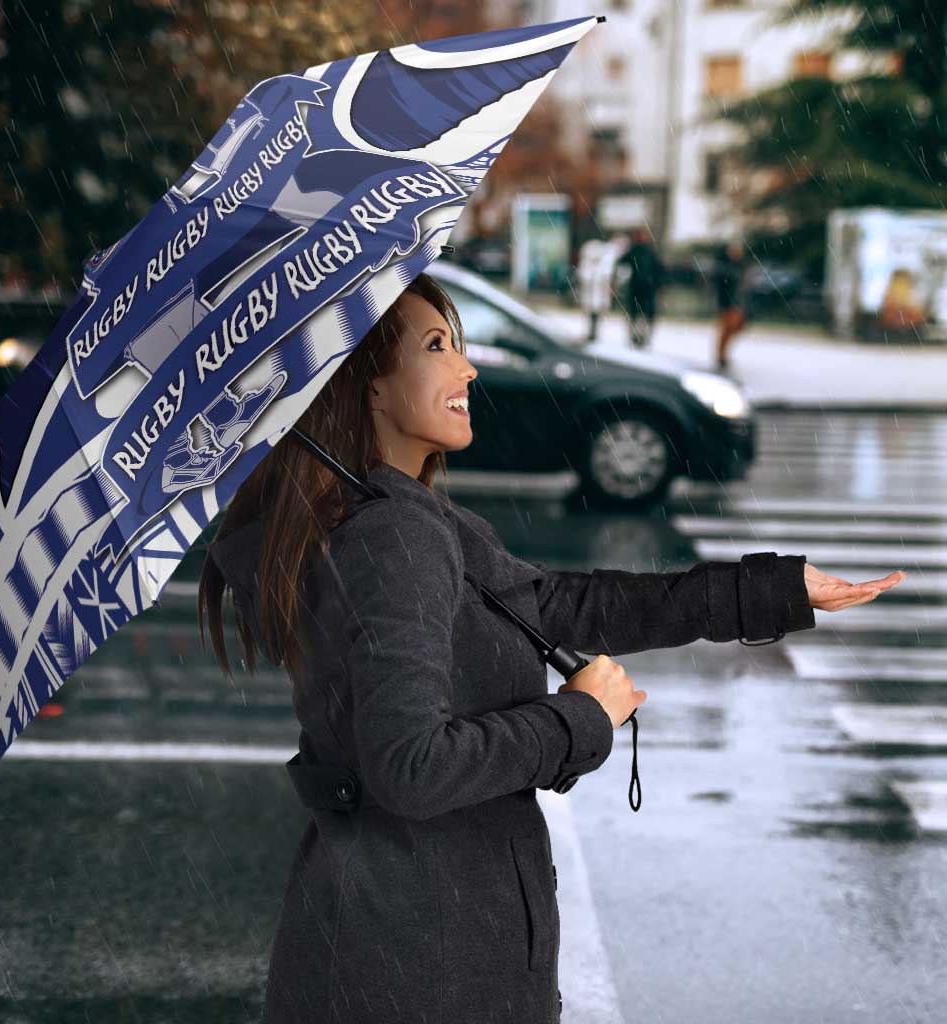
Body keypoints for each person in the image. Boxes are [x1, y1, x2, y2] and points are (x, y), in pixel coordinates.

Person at [199, 271, 905, 1024]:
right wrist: (578, 719)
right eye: (437, 346)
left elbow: (563, 606)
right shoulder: (394, 536)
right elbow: (411, 767)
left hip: (397, 941)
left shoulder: (395, 518)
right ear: (369, 384)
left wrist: (771, 590)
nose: (467, 368)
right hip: (422, 962)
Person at [615, 226, 665, 349]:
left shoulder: (647, 252)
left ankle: (642, 337)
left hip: (645, 289)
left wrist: (658, 284)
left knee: (642, 315)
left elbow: (659, 270)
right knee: (637, 314)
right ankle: (636, 337)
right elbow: (621, 263)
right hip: (639, 288)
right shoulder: (637, 251)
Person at [713, 239, 749, 370]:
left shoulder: (739, 266)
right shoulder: (725, 267)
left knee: (735, 327)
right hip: (728, 303)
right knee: (727, 329)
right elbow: (722, 286)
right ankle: (721, 355)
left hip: (737, 303)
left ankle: (722, 354)